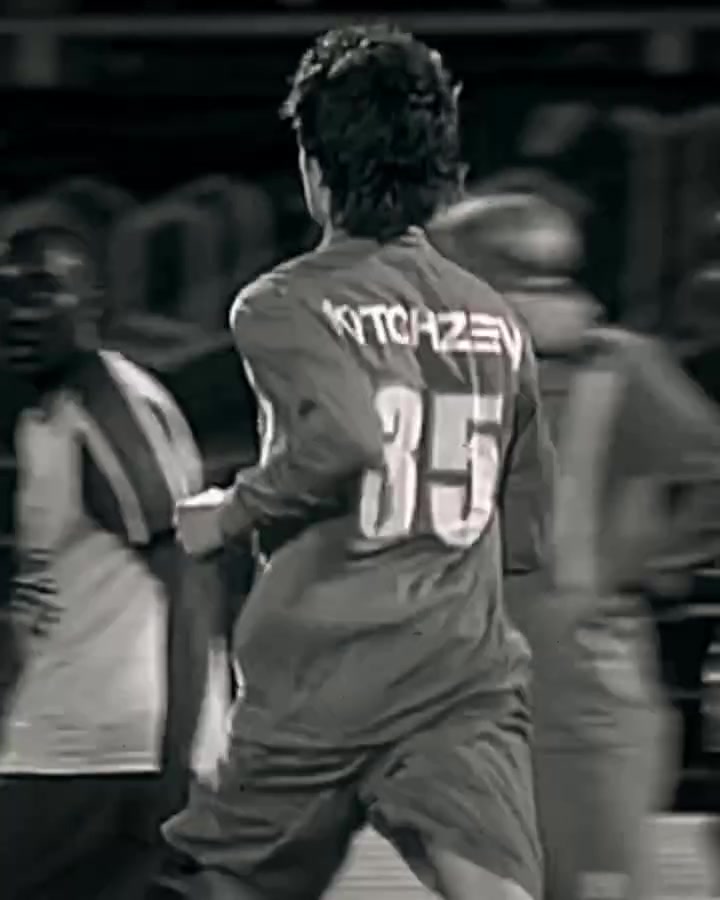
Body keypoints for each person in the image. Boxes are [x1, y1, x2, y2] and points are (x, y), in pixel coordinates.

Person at [163, 24, 554, 900]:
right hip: (458, 677)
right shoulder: (497, 320)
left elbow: (342, 440)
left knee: (214, 882)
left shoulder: (280, 304)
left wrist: (228, 513)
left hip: (321, 682)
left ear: (314, 167)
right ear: (437, 169)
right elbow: (527, 526)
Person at [432, 190, 720, 900]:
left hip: (577, 683)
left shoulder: (609, 367)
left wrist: (624, 572)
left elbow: (709, 474)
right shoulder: (444, 370)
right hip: (464, 683)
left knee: (597, 885)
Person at [0, 224, 229, 900]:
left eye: (43, 290)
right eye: (6, 293)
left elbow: (191, 575)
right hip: (68, 747)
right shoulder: (47, 419)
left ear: (93, 302)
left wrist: (177, 767)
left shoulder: (106, 405)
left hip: (108, 756)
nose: (17, 311)